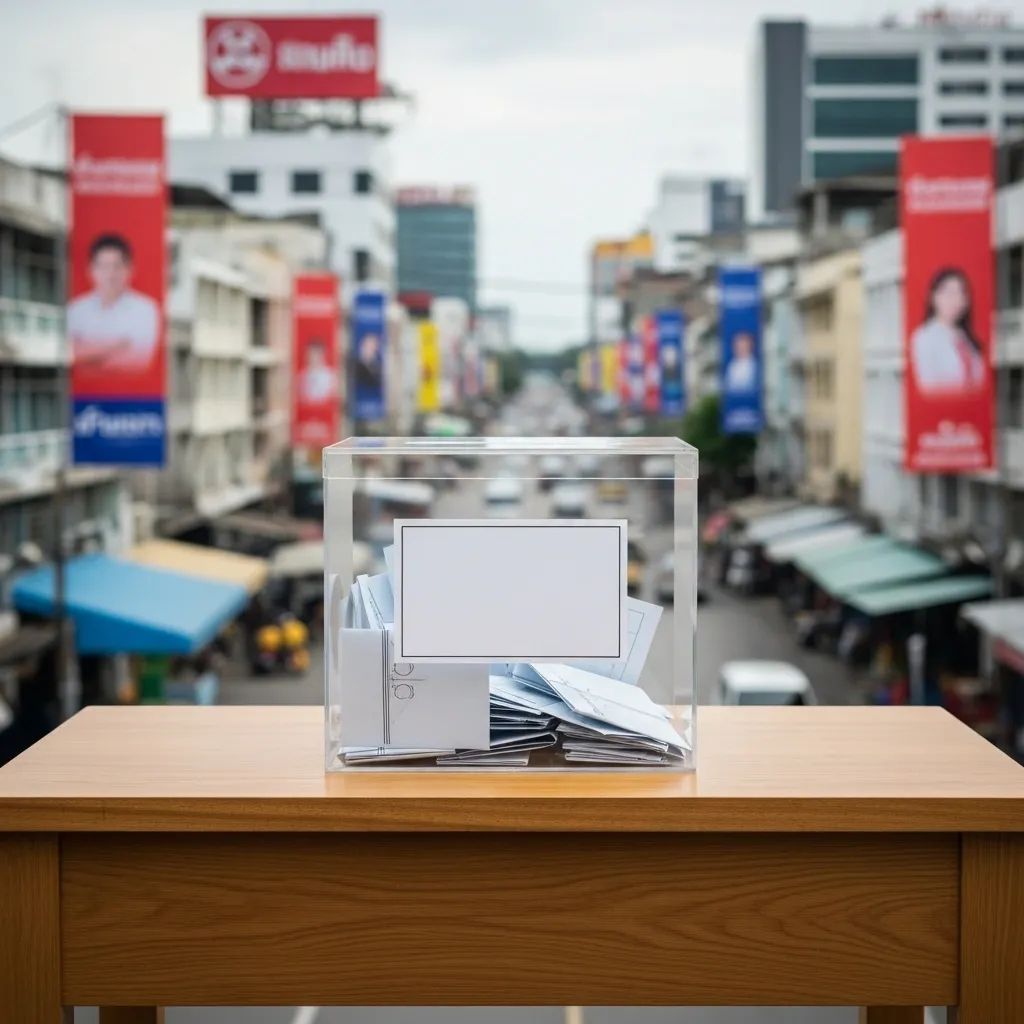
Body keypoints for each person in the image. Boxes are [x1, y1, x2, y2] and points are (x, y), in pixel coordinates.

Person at [68, 233, 159, 375]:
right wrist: (118, 345)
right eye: (103, 266)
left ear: (129, 270)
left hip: (131, 392)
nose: (110, 274)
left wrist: (86, 352)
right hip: (87, 394)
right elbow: (70, 355)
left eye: (117, 266)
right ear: (91, 270)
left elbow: (139, 364)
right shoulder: (76, 309)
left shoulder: (146, 309)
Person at [910, 267, 987, 394]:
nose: (955, 300)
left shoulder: (968, 338)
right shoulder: (924, 338)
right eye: (948, 293)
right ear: (933, 297)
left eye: (960, 293)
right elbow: (928, 388)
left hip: (973, 410)